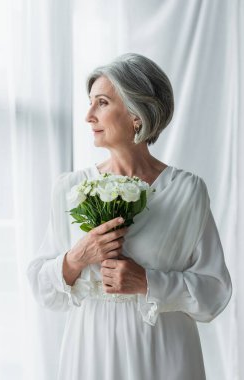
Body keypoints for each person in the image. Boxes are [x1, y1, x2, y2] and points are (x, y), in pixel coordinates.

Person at [26, 53, 232, 380]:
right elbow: (41, 287)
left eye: (102, 103)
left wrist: (148, 282)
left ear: (136, 115)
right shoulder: (70, 188)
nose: (88, 116)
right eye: (89, 102)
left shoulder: (186, 191)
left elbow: (214, 292)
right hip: (90, 352)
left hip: (163, 353)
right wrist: (76, 258)